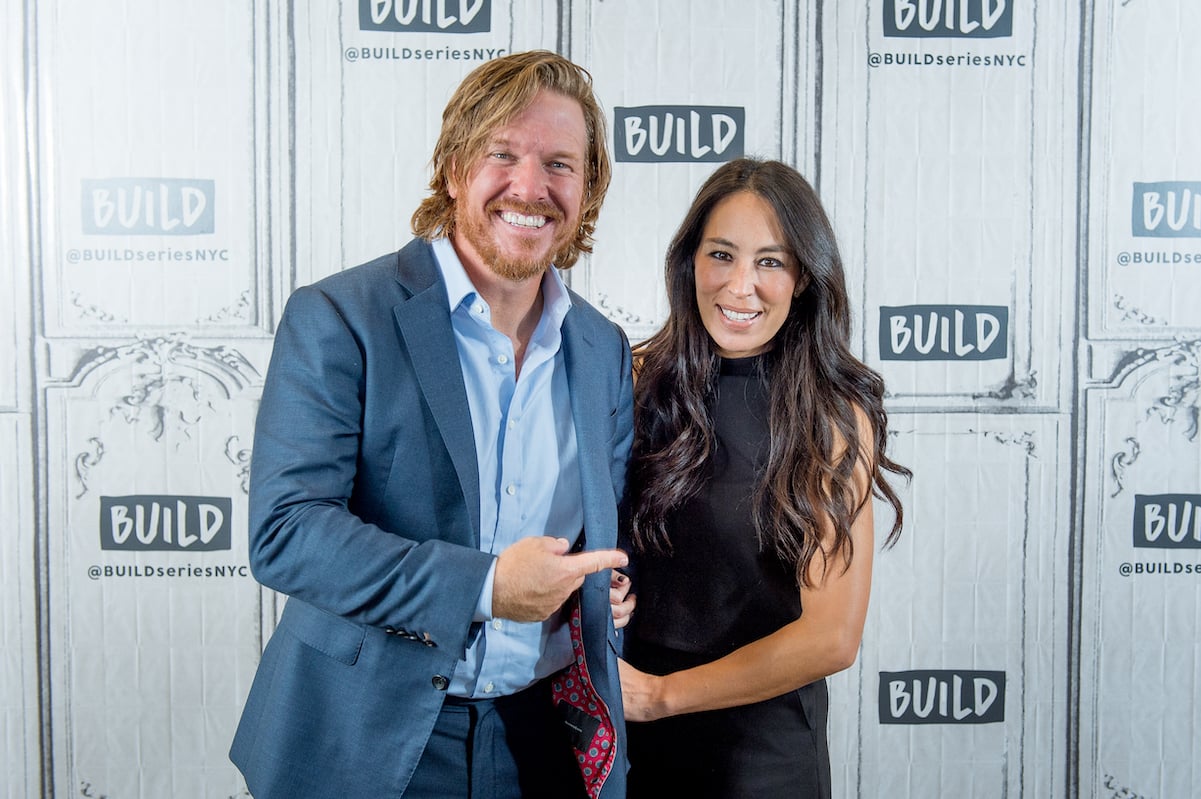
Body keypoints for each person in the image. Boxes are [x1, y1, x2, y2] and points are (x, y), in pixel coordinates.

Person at [230, 51, 636, 799]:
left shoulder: (603, 348)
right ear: (454, 169)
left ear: (588, 189)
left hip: (543, 737)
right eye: (502, 155)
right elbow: (285, 530)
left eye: (560, 164)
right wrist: (485, 585)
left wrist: (605, 589)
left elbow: (600, 538)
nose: (530, 186)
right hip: (368, 740)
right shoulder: (341, 317)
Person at [618, 158, 910, 798]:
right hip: (627, 746)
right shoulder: (630, 378)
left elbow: (831, 638)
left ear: (805, 277)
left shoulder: (831, 416)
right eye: (721, 255)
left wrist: (662, 697)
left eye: (770, 262)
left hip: (760, 759)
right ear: (689, 262)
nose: (740, 285)